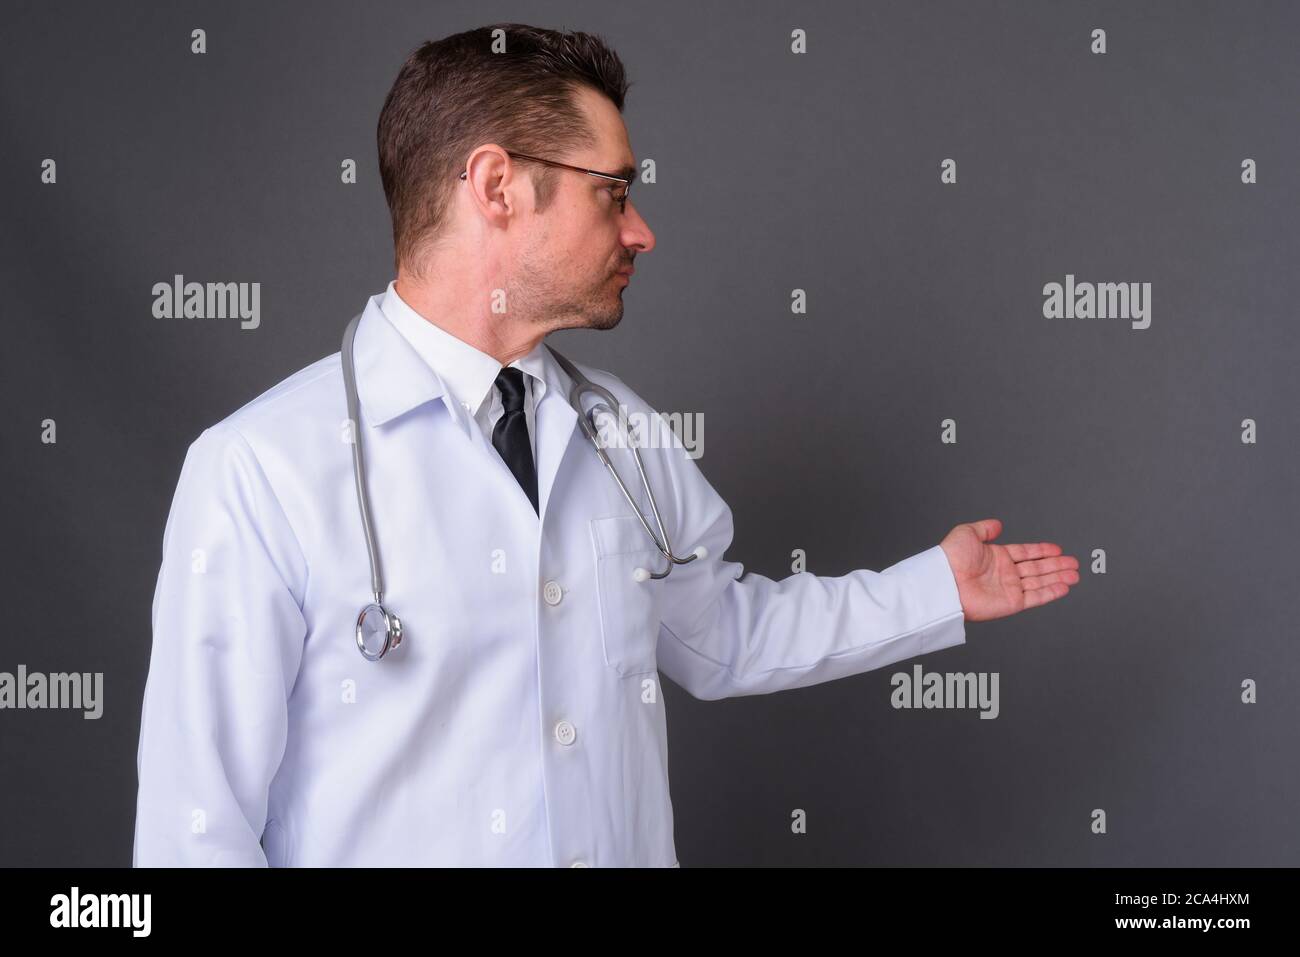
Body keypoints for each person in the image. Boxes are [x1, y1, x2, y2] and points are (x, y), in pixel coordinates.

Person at [132, 22, 1079, 867]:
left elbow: (723, 637)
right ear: (497, 186)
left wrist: (934, 590)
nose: (642, 230)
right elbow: (194, 833)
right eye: (613, 191)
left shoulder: (619, 433)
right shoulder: (260, 469)